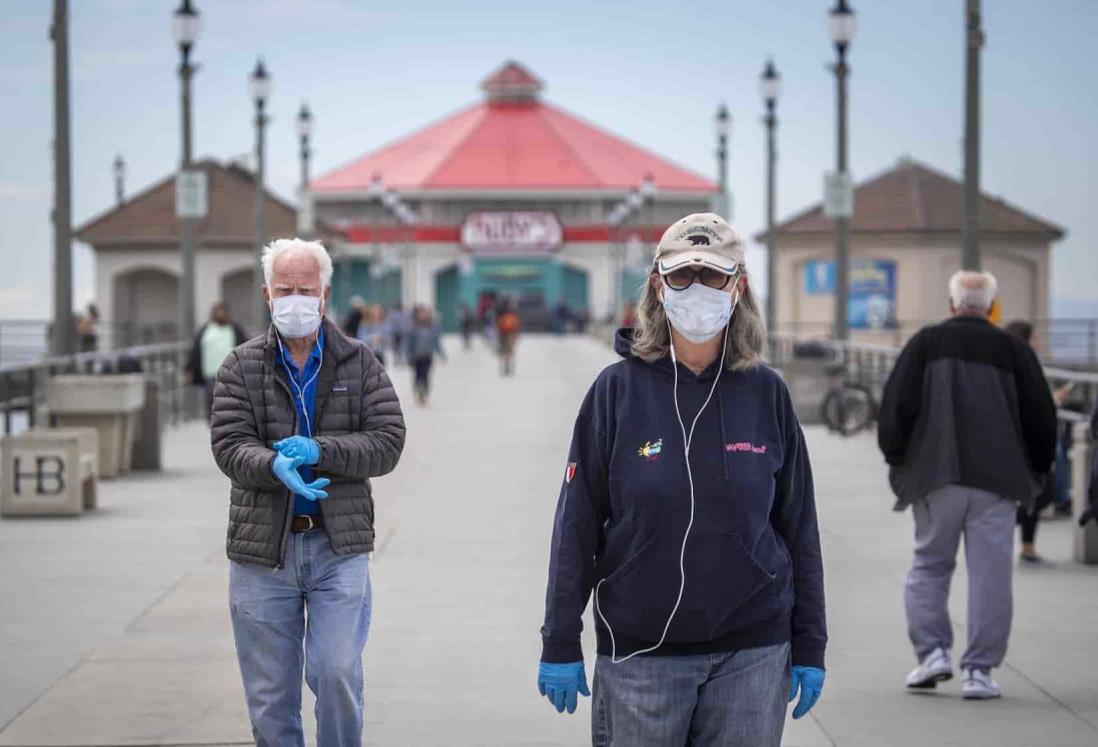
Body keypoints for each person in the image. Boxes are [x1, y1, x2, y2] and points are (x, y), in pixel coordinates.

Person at [538, 213, 826, 746]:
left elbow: (798, 526)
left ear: (737, 286)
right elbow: (576, 522)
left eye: (712, 275)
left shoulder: (767, 393)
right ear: (658, 285)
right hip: (641, 657)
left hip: (752, 655)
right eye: (682, 275)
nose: (697, 288)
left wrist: (810, 644)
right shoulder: (615, 392)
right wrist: (559, 637)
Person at [210, 238, 406, 746]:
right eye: (284, 289)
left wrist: (322, 451)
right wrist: (273, 464)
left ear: (324, 295)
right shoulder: (241, 365)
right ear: (267, 295)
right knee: (271, 697)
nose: (294, 299)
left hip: (335, 547)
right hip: (262, 554)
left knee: (336, 673)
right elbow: (230, 446)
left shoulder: (360, 362)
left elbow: (387, 443)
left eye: (305, 289)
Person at [878, 271, 1057, 700]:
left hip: (935, 476)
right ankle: (979, 672)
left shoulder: (925, 344)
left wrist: (898, 459)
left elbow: (896, 407)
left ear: (952, 302)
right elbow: (1040, 416)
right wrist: (1038, 470)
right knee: (991, 576)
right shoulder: (1014, 350)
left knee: (928, 566)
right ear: (991, 306)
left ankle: (932, 655)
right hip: (996, 482)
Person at [1005, 320, 1072, 563]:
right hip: (1026, 442)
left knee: (1036, 493)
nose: (1039, 342)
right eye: (1035, 338)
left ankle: (1028, 546)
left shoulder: (1013, 364)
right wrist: (1054, 401)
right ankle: (1011, 528)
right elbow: (1031, 405)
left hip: (1021, 440)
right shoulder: (1023, 366)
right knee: (1042, 492)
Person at [186, 301, 247, 422]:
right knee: (211, 401)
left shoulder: (235, 329)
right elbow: (195, 351)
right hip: (211, 374)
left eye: (223, 312)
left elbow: (246, 347)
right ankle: (213, 424)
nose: (220, 314)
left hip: (231, 375)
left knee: (230, 402)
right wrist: (188, 369)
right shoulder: (205, 331)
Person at [406, 304, 445, 406]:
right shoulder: (413, 327)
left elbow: (436, 341)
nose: (423, 315)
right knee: (418, 375)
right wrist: (408, 355)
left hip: (428, 355)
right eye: (421, 313)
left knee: (426, 375)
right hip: (416, 356)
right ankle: (418, 392)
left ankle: (424, 393)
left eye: (425, 313)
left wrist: (441, 352)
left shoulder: (433, 326)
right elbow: (409, 343)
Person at [497, 299, 521, 376]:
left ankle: (508, 366)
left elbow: (516, 325)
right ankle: (506, 366)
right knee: (506, 351)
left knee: (508, 351)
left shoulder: (511, 314)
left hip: (509, 333)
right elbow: (499, 324)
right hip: (505, 333)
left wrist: (516, 335)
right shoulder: (504, 314)